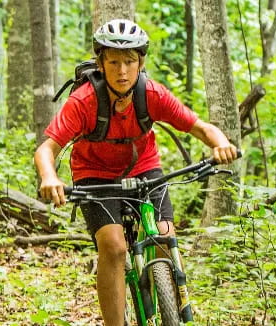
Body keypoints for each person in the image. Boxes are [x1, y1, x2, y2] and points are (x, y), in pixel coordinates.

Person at [34, 19, 238, 326]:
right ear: (101, 64)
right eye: (113, 62)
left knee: (165, 237)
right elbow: (46, 149)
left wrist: (221, 143)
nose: (122, 71)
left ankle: (168, 304)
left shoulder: (152, 93)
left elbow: (200, 127)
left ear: (140, 62)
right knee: (114, 247)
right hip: (95, 175)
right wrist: (50, 177)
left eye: (129, 61)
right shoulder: (84, 101)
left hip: (144, 168)